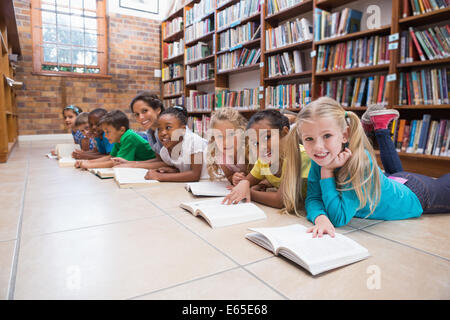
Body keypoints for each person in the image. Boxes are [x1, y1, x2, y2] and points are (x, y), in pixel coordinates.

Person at [295, 97, 449, 238]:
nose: (318, 147)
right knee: (396, 173)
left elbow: (338, 217)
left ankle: (379, 128)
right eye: (309, 139)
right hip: (397, 180)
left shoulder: (358, 162)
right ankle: (380, 127)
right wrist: (320, 218)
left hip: (416, 196)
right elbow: (313, 198)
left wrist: (327, 171)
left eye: (327, 135)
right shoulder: (321, 158)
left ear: (345, 135)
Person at [223, 109, 311, 208]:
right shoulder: (264, 160)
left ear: (285, 132)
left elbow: (280, 200)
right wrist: (244, 183)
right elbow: (247, 181)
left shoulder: (299, 156)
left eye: (267, 137)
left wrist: (250, 192)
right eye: (256, 143)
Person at [143, 106, 209, 182]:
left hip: (212, 182)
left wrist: (159, 176)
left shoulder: (195, 142)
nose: (162, 133)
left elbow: (195, 175)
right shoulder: (165, 152)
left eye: (168, 127)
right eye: (159, 129)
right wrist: (173, 171)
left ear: (183, 130)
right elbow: (184, 168)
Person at [75, 110, 155, 169]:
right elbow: (111, 157)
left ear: (121, 130)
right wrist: (87, 162)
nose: (105, 136)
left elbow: (116, 163)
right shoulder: (119, 138)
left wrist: (89, 165)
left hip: (152, 164)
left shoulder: (129, 137)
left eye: (108, 132)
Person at [111, 92, 166, 168]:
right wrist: (129, 163)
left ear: (157, 109)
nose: (141, 117)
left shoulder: (167, 131)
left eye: (145, 111)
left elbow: (170, 164)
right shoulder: (150, 132)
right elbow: (159, 160)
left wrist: (132, 165)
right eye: (137, 114)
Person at [206, 107, 252, 185]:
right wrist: (233, 178)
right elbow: (229, 176)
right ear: (214, 138)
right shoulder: (219, 154)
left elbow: (262, 177)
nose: (226, 142)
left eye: (231, 134)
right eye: (219, 136)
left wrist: (247, 181)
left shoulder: (250, 149)